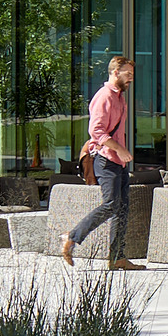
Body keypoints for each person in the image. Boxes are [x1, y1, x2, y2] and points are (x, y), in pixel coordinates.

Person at [63, 54, 140, 268]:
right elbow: (96, 131)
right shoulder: (104, 96)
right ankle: (71, 236)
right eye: (128, 74)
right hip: (106, 160)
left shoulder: (120, 97)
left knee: (122, 208)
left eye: (132, 74)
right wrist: (120, 150)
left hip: (119, 162)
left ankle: (117, 258)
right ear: (115, 72)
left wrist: (121, 154)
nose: (131, 78)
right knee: (110, 205)